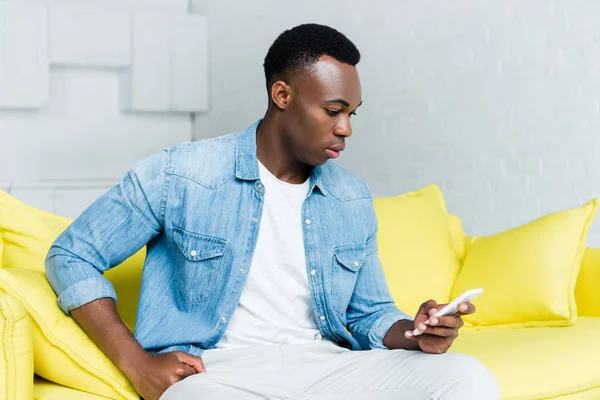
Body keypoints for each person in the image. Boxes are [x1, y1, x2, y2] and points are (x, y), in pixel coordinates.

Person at [46, 23, 500, 400]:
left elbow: (367, 314)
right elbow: (71, 255)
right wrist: (136, 361)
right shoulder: (181, 173)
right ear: (282, 95)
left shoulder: (351, 197)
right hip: (217, 375)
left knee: (469, 379)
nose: (345, 129)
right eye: (332, 110)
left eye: (352, 114)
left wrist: (415, 331)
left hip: (329, 368)